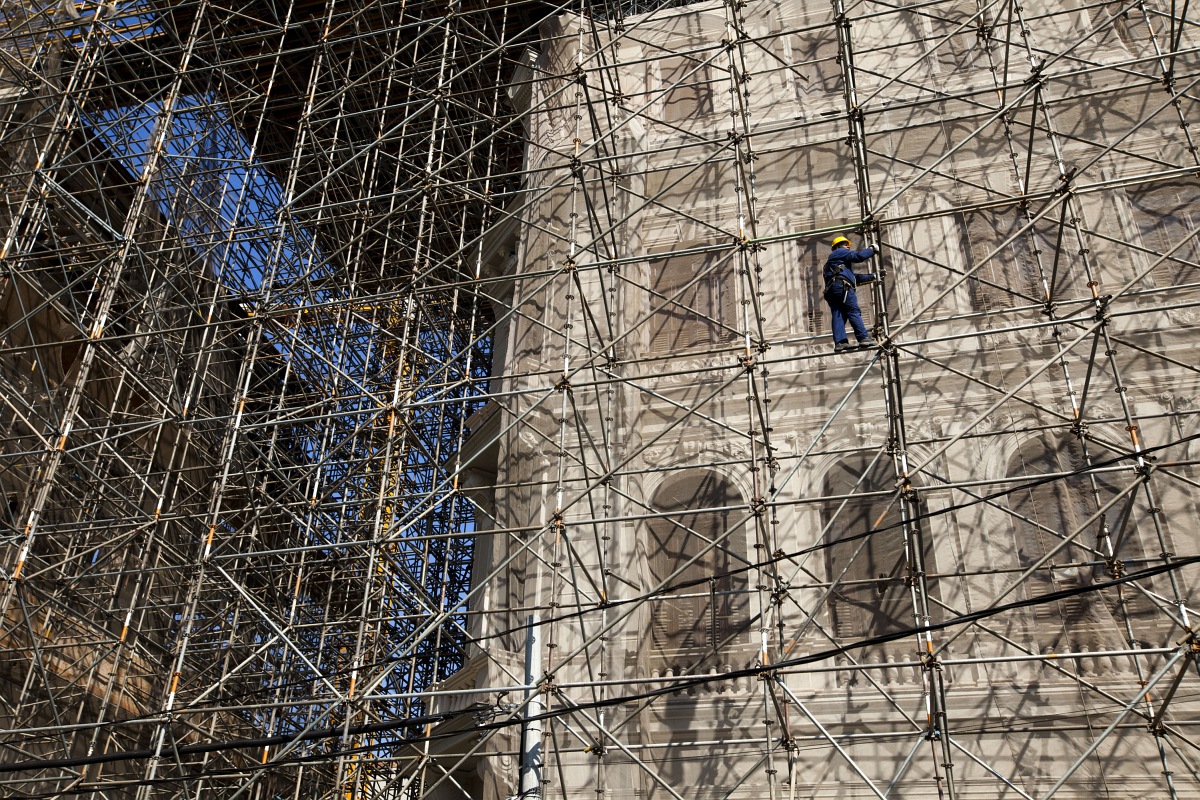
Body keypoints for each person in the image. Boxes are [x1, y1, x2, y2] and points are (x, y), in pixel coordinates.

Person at [823, 235, 879, 353]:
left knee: (838, 314)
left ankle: (841, 342)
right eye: (845, 244)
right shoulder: (839, 252)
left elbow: (854, 278)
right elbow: (857, 256)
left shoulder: (836, 265)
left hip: (833, 289)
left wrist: (873, 276)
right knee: (853, 311)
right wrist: (871, 249)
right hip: (842, 287)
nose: (848, 246)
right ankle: (863, 338)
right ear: (837, 246)